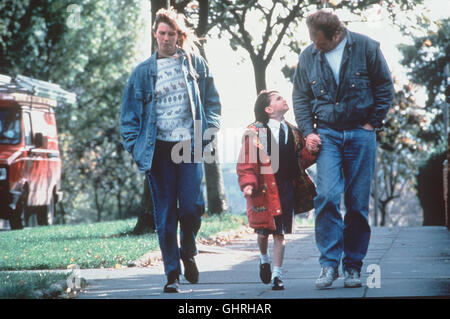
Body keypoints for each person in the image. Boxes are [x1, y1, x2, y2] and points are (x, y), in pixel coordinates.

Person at [120, 7, 221, 293]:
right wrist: (135, 147)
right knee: (165, 215)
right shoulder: (141, 73)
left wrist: (209, 132)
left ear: (179, 35)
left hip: (190, 145)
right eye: (161, 33)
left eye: (171, 34)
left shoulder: (196, 65)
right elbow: (128, 119)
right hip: (158, 151)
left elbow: (213, 102)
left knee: (192, 206)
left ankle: (188, 247)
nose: (165, 38)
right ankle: (172, 275)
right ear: (155, 34)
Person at [292, 10, 394, 289]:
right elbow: (300, 96)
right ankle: (328, 266)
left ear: (336, 35)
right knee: (326, 196)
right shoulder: (308, 56)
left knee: (357, 204)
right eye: (312, 39)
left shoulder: (367, 48)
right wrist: (309, 131)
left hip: (361, 134)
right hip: (327, 134)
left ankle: (352, 267)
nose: (315, 46)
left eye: (320, 41)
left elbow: (385, 86)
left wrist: (373, 123)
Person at [237, 90, 316, 290]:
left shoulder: (294, 132)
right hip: (263, 190)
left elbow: (301, 159)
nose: (284, 99)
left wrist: (313, 151)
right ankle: (264, 259)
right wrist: (248, 183)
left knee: (280, 234)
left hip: (286, 186)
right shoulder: (256, 132)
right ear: (269, 109)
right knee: (264, 233)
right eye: (278, 98)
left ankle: (277, 275)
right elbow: (247, 160)